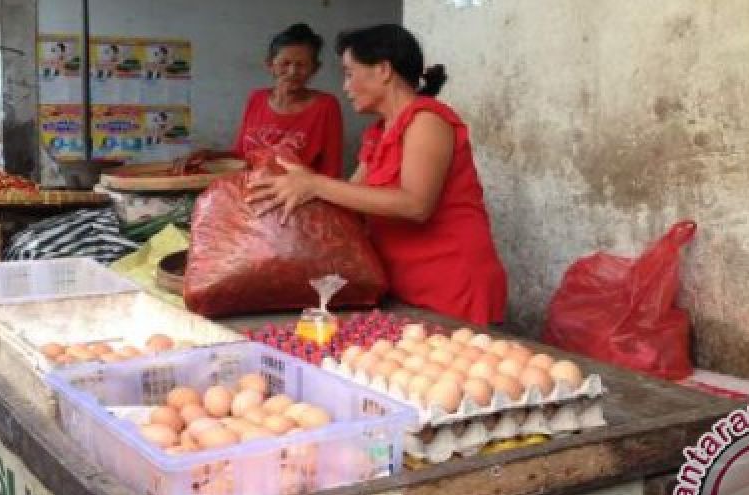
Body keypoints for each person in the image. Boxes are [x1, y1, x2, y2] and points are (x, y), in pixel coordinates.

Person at [247, 24, 508, 325]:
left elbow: (416, 205)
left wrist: (315, 184)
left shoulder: (427, 120)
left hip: (452, 283)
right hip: (404, 284)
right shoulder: (380, 132)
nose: (345, 87)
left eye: (349, 73)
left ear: (383, 70)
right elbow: (351, 202)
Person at [184, 23, 344, 178]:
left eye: (301, 65)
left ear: (315, 69)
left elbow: (331, 171)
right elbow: (241, 155)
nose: (292, 72)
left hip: (295, 199)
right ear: (270, 65)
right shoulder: (257, 99)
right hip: (250, 191)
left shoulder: (326, 106)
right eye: (285, 63)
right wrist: (209, 156)